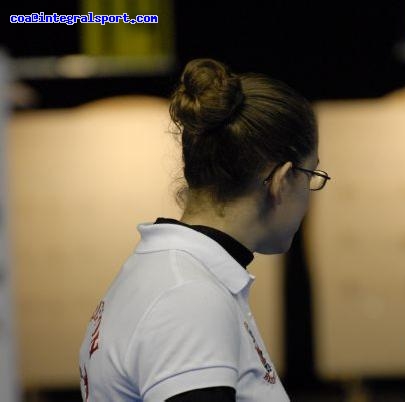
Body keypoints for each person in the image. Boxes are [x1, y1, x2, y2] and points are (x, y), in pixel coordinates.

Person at [78, 58, 330, 402]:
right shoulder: (188, 295)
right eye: (312, 176)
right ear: (283, 181)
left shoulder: (177, 278)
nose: (310, 197)